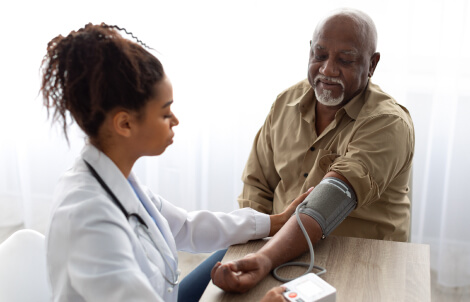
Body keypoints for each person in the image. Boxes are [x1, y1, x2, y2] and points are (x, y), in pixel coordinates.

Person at [41, 23, 311, 302]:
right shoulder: (89, 221)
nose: (175, 121)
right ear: (125, 123)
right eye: (165, 112)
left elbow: (185, 226)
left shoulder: (116, 178)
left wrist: (276, 222)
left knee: (232, 254)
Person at [211, 8, 414, 293]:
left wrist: (263, 259)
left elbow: (331, 199)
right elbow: (256, 184)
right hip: (270, 245)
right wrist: (251, 248)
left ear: (372, 65)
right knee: (191, 294)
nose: (328, 69)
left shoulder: (387, 123)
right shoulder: (286, 102)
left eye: (345, 59)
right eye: (319, 55)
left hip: (356, 260)